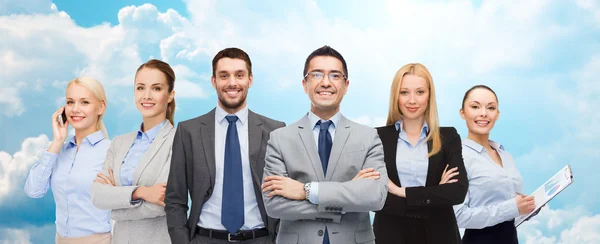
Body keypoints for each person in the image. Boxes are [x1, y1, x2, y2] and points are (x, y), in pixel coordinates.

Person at [261, 45, 388, 244]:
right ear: (305, 84)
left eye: (335, 76)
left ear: (346, 85)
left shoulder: (369, 137)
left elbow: (375, 197)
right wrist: (347, 197)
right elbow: (274, 204)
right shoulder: (280, 138)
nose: (326, 83)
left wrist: (306, 191)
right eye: (317, 74)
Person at [165, 47, 285, 244]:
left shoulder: (275, 131)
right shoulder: (189, 131)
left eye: (239, 75)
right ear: (214, 81)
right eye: (224, 75)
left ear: (250, 80)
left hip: (261, 239)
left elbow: (283, 196)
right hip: (204, 239)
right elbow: (175, 199)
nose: (232, 83)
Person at [373, 63, 468, 244]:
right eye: (404, 92)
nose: (412, 100)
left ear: (429, 95)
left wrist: (401, 192)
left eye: (420, 92)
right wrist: (434, 194)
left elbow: (457, 192)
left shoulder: (448, 136)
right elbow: (376, 198)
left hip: (440, 236)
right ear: (396, 96)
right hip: (390, 236)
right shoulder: (377, 137)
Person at [90, 59, 177, 244]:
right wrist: (141, 192)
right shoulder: (119, 143)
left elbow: (161, 205)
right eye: (140, 88)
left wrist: (114, 206)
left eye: (156, 88)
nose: (146, 95)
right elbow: (98, 196)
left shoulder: (178, 141)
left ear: (170, 95)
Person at [24, 76, 112, 244]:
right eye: (70, 102)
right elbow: (33, 191)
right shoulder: (59, 152)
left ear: (101, 107)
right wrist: (57, 142)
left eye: (84, 102)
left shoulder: (111, 151)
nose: (75, 109)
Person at [454, 85, 535, 244]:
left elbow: (507, 207)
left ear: (497, 114)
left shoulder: (505, 155)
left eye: (490, 108)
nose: (483, 113)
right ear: (462, 113)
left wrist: (527, 207)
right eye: (475, 107)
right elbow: (459, 216)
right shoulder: (458, 157)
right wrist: (512, 208)